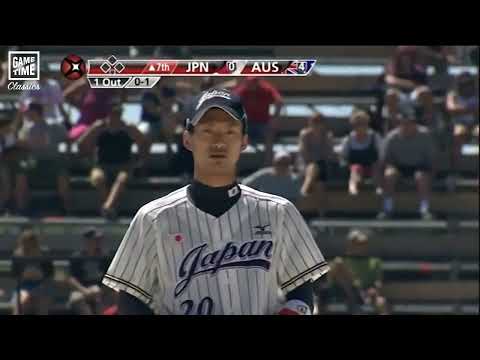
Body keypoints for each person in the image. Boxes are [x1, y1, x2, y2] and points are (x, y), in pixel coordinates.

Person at [102, 88, 329, 315]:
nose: (219, 142)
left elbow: (302, 291)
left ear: (244, 141)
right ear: (187, 139)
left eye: (230, 131)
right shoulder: (152, 218)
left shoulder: (279, 212)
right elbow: (130, 300)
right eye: (207, 131)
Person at [77, 104, 150, 219]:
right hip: (102, 165)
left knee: (121, 179)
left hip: (124, 165)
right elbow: (81, 143)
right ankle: (110, 207)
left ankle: (107, 206)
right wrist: (93, 132)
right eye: (112, 113)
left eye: (117, 114)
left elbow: (144, 143)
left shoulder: (128, 128)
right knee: (98, 178)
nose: (114, 117)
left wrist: (141, 162)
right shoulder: (99, 127)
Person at [379, 105, 436, 220]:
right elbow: (386, 160)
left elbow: (432, 160)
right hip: (399, 167)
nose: (407, 125)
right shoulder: (391, 137)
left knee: (422, 177)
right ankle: (387, 209)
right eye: (403, 122)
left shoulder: (425, 135)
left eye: (410, 122)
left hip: (420, 167)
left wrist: (432, 176)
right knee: (389, 175)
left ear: (415, 123)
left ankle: (424, 210)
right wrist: (390, 169)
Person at [14, 103, 71, 215]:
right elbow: (19, 143)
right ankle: (21, 209)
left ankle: (66, 209)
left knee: (61, 172)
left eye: (29, 112)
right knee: (21, 172)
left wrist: (63, 154)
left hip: (53, 159)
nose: (27, 114)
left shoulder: (55, 126)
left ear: (35, 112)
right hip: (33, 160)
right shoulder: (26, 128)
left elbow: (67, 141)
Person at [317, 229, 388, 315]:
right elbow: (330, 280)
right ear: (349, 245)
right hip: (341, 293)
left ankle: (356, 299)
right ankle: (354, 298)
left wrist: (374, 290)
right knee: (338, 264)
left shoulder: (375, 261)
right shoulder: (341, 261)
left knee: (381, 302)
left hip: (364, 293)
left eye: (362, 243)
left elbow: (378, 282)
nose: (359, 246)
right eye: (356, 243)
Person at [233, 77, 283, 165]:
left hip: (262, 123)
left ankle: (268, 163)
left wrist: (275, 118)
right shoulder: (243, 90)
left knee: (269, 133)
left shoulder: (266, 89)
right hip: (247, 123)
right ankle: (234, 164)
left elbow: (279, 102)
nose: (251, 86)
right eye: (249, 83)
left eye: (253, 83)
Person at [384, 46, 435, 132]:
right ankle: (395, 128)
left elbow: (422, 84)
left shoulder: (418, 67)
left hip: (415, 96)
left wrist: (412, 86)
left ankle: (428, 126)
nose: (406, 58)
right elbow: (389, 80)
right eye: (403, 55)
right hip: (399, 96)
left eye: (409, 55)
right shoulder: (393, 66)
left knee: (425, 91)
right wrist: (408, 84)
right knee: (391, 94)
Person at [67, 227, 113, 315]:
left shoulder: (105, 256)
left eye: (98, 240)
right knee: (76, 299)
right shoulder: (77, 257)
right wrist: (85, 291)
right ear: (86, 241)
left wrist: (101, 290)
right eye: (94, 239)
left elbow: (111, 277)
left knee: (101, 300)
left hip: (101, 290)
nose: (97, 242)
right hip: (82, 290)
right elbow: (71, 278)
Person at [446, 72, 479, 188]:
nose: (466, 86)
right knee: (458, 134)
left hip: (476, 124)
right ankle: (454, 173)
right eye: (463, 83)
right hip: (460, 124)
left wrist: (461, 110)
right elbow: (451, 109)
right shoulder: (453, 95)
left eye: (469, 83)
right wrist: (471, 109)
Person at [298, 113, 335, 216]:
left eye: (319, 122)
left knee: (319, 183)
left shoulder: (327, 136)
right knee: (315, 174)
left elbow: (328, 154)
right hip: (306, 165)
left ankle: (305, 190)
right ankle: (321, 213)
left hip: (323, 165)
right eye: (314, 122)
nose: (316, 125)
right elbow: (304, 153)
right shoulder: (305, 134)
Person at [10, 229, 55, 315]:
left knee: (41, 304)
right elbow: (14, 274)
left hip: (42, 286)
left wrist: (41, 275)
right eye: (26, 242)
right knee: (21, 303)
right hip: (23, 287)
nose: (28, 245)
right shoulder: (17, 255)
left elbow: (50, 273)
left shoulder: (44, 253)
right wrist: (23, 276)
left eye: (31, 242)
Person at [339, 110, 383, 196]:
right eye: (358, 124)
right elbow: (343, 156)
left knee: (376, 167)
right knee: (356, 168)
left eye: (363, 123)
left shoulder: (375, 137)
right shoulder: (348, 139)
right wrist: (347, 165)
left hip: (372, 168)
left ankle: (378, 189)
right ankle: (353, 190)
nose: (361, 126)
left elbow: (382, 154)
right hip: (355, 169)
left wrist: (379, 163)